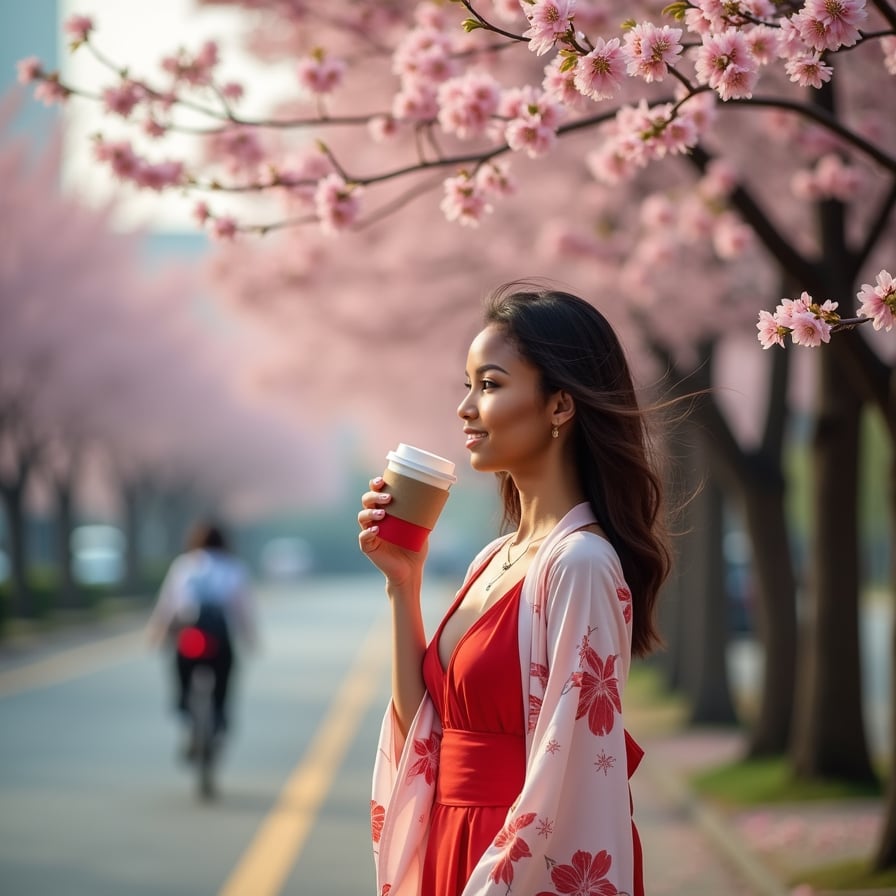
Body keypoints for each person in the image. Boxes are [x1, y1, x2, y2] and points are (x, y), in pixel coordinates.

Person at [358, 283, 672, 896]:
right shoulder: (493, 558)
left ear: (559, 405)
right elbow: (426, 731)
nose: (466, 407)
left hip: (516, 863)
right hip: (452, 840)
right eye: (468, 384)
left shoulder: (580, 564)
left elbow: (572, 767)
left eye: (491, 384)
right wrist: (404, 580)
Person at [147, 521, 257, 738]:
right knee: (226, 667)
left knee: (180, 662)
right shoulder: (233, 567)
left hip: (191, 632)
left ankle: (183, 702)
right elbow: (242, 607)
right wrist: (250, 637)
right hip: (219, 632)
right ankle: (219, 712)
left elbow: (167, 604)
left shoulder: (184, 565)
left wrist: (157, 633)